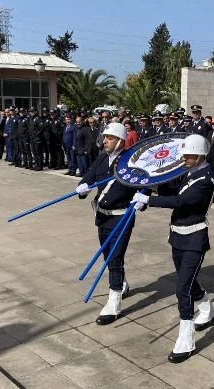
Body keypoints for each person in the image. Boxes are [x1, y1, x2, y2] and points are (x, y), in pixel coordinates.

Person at [132, 134, 214, 363]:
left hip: (194, 240)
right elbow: (173, 192)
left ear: (200, 155)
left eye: (188, 155)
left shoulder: (206, 179)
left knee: (182, 289)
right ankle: (208, 308)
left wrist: (150, 200)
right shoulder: (191, 172)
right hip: (178, 237)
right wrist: (150, 186)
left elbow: (181, 201)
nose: (184, 158)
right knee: (186, 280)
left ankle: (186, 339)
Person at [76, 123, 136, 325]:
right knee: (107, 255)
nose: (105, 141)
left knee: (115, 258)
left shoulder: (130, 161)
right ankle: (123, 284)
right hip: (102, 216)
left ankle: (114, 302)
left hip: (121, 217)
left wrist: (141, 200)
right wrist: (82, 187)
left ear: (120, 141)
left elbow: (140, 186)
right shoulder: (102, 158)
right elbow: (90, 176)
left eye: (110, 138)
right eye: (105, 137)